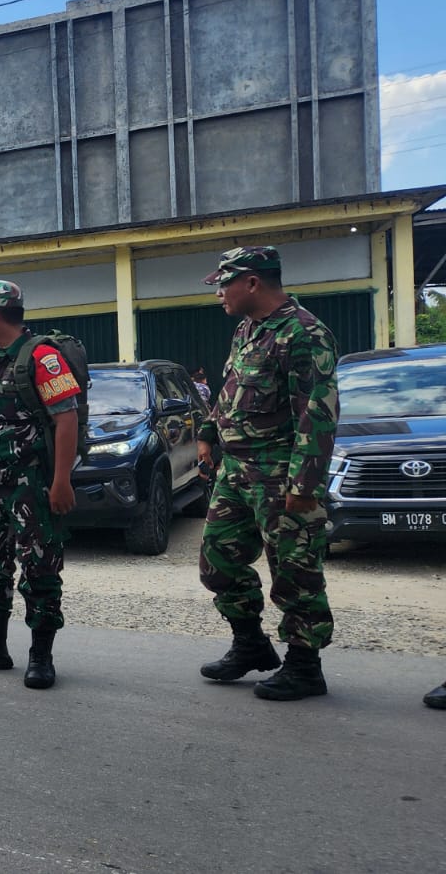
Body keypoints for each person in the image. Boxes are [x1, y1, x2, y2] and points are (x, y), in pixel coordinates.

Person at [195, 247, 340, 701]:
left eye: (224, 284)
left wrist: (304, 485)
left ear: (252, 282)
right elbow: (231, 389)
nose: (219, 293)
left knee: (295, 570)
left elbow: (317, 414)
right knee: (217, 559)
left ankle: (304, 666)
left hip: (280, 473)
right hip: (236, 470)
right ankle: (251, 644)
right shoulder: (247, 329)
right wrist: (208, 433)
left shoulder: (303, 333)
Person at [0, 281, 79, 690]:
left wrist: (61, 481)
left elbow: (67, 419)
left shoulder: (43, 358)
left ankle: (41, 656)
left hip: (33, 484)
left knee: (39, 569)